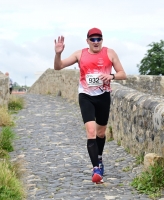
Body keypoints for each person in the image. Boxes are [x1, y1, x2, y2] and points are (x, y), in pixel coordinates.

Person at [54, 28, 127, 183]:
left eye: (98, 39)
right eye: (92, 39)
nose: (96, 42)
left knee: (101, 133)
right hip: (86, 96)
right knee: (91, 131)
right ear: (87, 41)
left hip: (103, 96)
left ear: (102, 40)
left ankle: (99, 158)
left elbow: (123, 74)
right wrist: (58, 53)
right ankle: (96, 169)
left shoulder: (110, 53)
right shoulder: (80, 54)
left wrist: (111, 76)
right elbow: (58, 66)